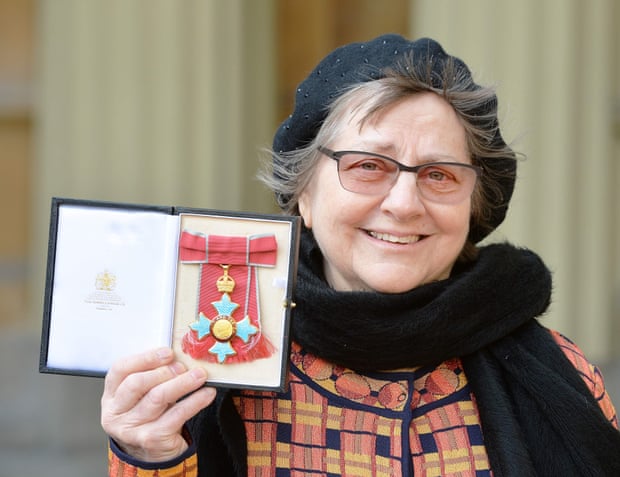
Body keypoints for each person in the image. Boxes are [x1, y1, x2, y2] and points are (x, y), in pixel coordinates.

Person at [101, 34, 620, 476]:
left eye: (439, 175)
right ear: (303, 191)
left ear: (472, 204)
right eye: (368, 166)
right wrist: (151, 455)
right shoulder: (206, 373)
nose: (403, 204)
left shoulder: (561, 373)